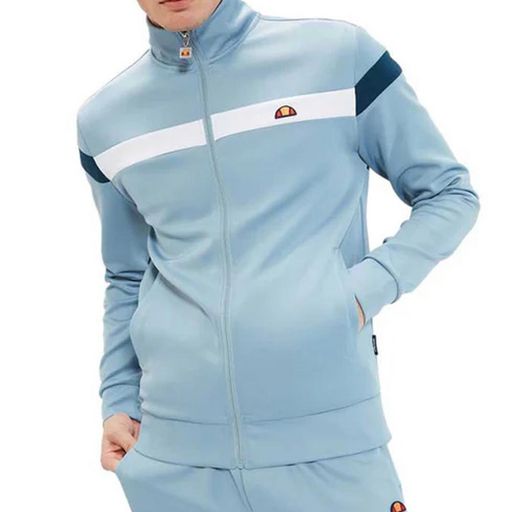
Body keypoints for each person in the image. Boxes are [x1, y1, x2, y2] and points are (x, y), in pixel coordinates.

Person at [76, 0, 480, 510]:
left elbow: (448, 193)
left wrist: (357, 295)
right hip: (171, 461)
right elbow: (127, 273)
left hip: (328, 450)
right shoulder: (106, 120)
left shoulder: (337, 58)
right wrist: (117, 398)